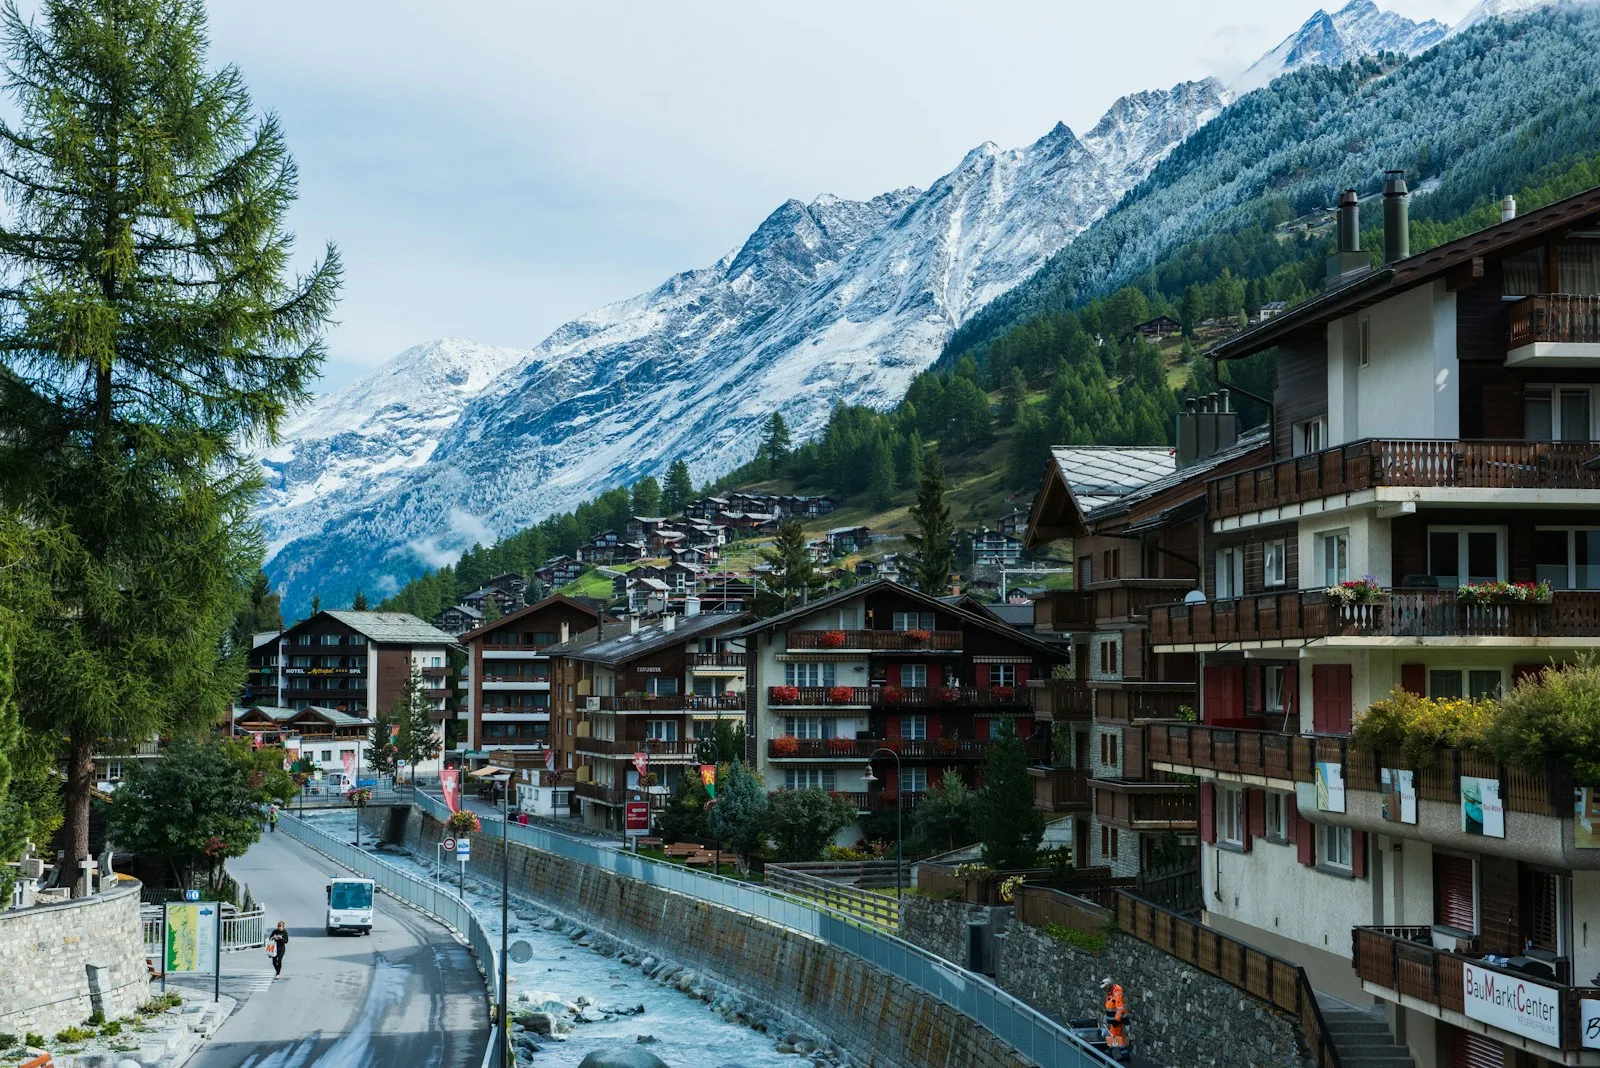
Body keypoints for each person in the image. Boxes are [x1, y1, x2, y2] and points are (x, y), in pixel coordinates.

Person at [1101, 976, 1129, 1060]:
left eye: (1105, 987)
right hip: (1114, 1020)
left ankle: (1107, 1053)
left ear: (1109, 985)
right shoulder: (1111, 993)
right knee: (1120, 1038)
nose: (1104, 989)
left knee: (1113, 1036)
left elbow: (1120, 1008)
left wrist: (1116, 1020)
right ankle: (1125, 1055)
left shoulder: (1116, 994)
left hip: (1117, 1021)